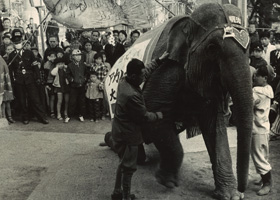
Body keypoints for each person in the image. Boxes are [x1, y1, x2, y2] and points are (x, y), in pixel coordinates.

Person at [111, 52, 168, 200]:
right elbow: (144, 116)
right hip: (129, 135)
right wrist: (159, 115)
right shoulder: (132, 95)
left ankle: (117, 193)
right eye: (141, 76)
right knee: (128, 168)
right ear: (134, 77)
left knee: (122, 163)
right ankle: (126, 196)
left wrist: (158, 61)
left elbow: (145, 71)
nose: (144, 78)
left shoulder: (124, 81)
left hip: (118, 130)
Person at [8, 29, 48, 124]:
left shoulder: (29, 53)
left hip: (30, 79)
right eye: (15, 42)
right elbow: (10, 71)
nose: (17, 43)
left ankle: (41, 117)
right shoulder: (11, 55)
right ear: (13, 43)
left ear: (22, 41)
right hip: (19, 81)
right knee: (22, 100)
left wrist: (38, 77)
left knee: (35, 99)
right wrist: (12, 82)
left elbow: (35, 67)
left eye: (19, 41)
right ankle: (25, 117)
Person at [251, 65, 274, 196]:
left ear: (265, 78)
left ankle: (267, 183)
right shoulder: (268, 89)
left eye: (257, 75)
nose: (254, 77)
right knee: (264, 154)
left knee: (258, 157)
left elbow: (248, 103)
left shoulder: (256, 92)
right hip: (265, 128)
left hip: (257, 129)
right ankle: (263, 178)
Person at [65, 49, 88, 123]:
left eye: (79, 55)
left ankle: (81, 115)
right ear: (72, 56)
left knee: (81, 101)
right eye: (76, 55)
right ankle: (69, 115)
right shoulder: (70, 65)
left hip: (81, 86)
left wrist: (85, 79)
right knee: (72, 101)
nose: (78, 57)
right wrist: (71, 80)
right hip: (74, 86)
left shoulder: (83, 65)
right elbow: (67, 74)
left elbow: (86, 73)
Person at [0, 55, 14, 123]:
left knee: (6, 102)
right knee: (2, 103)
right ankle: (3, 116)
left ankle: (8, 117)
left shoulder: (1, 60)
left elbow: (5, 69)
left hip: (4, 85)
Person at [44, 51, 56, 118]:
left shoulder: (55, 64)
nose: (53, 58)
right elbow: (45, 74)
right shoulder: (47, 64)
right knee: (50, 97)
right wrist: (46, 84)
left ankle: (53, 111)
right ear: (48, 57)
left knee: (54, 97)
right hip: (49, 82)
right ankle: (51, 111)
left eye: (54, 56)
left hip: (55, 82)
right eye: (52, 56)